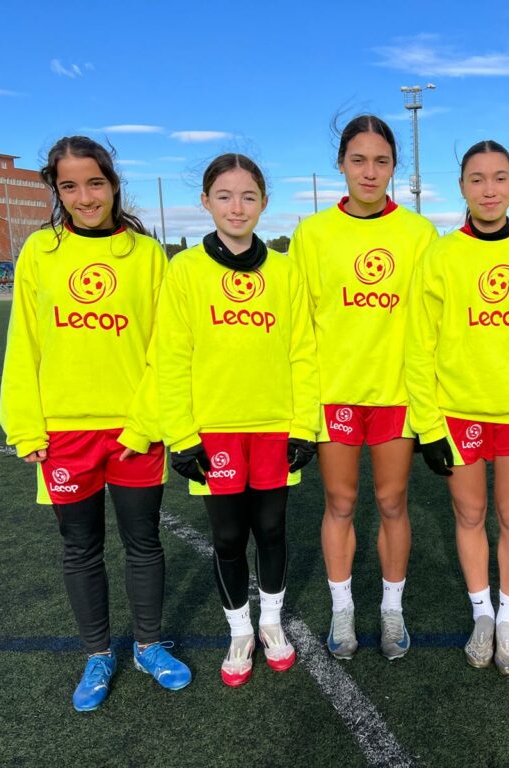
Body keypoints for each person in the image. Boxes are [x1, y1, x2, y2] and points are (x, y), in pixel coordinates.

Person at [0, 136, 191, 712]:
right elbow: (23, 343)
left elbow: (166, 348)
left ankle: (150, 645)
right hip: (64, 433)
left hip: (134, 430)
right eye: (69, 186)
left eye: (95, 183)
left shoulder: (146, 254)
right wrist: (26, 426)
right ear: (56, 190)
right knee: (80, 548)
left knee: (143, 543)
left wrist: (145, 423)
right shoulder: (40, 251)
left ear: (113, 183)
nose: (85, 197)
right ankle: (97, 653)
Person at [406, 141, 509, 676]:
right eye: (477, 179)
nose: (489, 189)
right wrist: (429, 428)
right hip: (458, 415)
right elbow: (419, 345)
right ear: (461, 187)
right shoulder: (442, 254)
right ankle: (482, 614)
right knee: (470, 515)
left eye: (499, 177)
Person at [156, 153, 319, 685]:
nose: (236, 206)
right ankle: (239, 632)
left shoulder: (286, 270)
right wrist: (181, 436)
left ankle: (271, 623)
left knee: (271, 530)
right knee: (228, 538)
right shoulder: (184, 271)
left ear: (264, 203)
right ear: (205, 202)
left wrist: (303, 425)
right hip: (214, 430)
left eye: (248, 196)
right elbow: (172, 356)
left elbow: (303, 352)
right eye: (224, 196)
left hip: (274, 426)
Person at [290, 115, 437, 660]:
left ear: (394, 167)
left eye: (380, 161)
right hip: (336, 394)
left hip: (396, 395)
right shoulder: (313, 233)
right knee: (341, 502)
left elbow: (429, 324)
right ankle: (343, 611)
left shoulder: (418, 235)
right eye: (359, 160)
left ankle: (392, 609)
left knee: (393, 501)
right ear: (341, 165)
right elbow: (299, 322)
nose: (369, 172)